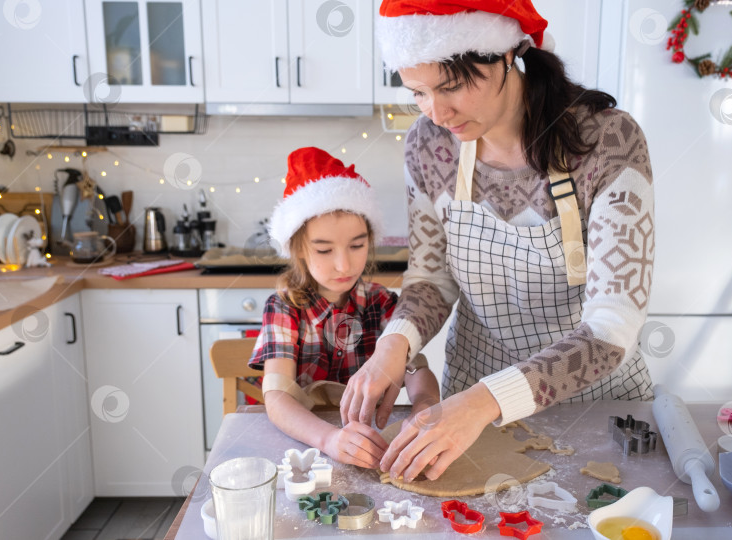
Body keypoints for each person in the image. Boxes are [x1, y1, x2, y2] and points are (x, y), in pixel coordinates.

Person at [340, 0, 656, 482]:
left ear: (508, 53)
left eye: (452, 87)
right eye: (417, 93)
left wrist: (484, 402)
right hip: (467, 410)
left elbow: (612, 328)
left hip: (596, 412)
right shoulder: (430, 145)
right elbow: (431, 279)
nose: (437, 112)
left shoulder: (606, 141)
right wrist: (393, 347)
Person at [248, 147, 440, 469]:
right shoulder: (284, 308)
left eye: (357, 245)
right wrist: (329, 439)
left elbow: (416, 370)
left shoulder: (381, 304)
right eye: (324, 250)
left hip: (369, 447)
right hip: (302, 451)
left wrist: (425, 405)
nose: (344, 264)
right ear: (298, 250)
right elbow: (278, 399)